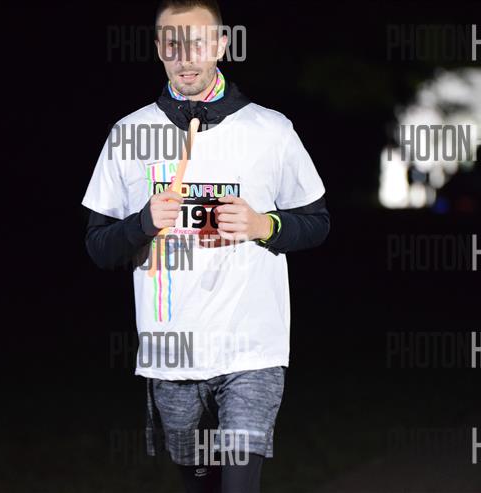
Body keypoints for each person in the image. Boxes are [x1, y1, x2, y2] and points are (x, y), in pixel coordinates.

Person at [82, 1, 329, 491]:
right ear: (159, 49)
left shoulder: (271, 130)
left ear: (221, 45)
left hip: (250, 351)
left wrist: (264, 224)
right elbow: (99, 247)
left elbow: (318, 223)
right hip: (172, 355)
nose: (186, 57)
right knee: (200, 483)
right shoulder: (129, 134)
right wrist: (142, 223)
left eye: (197, 42)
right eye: (173, 45)